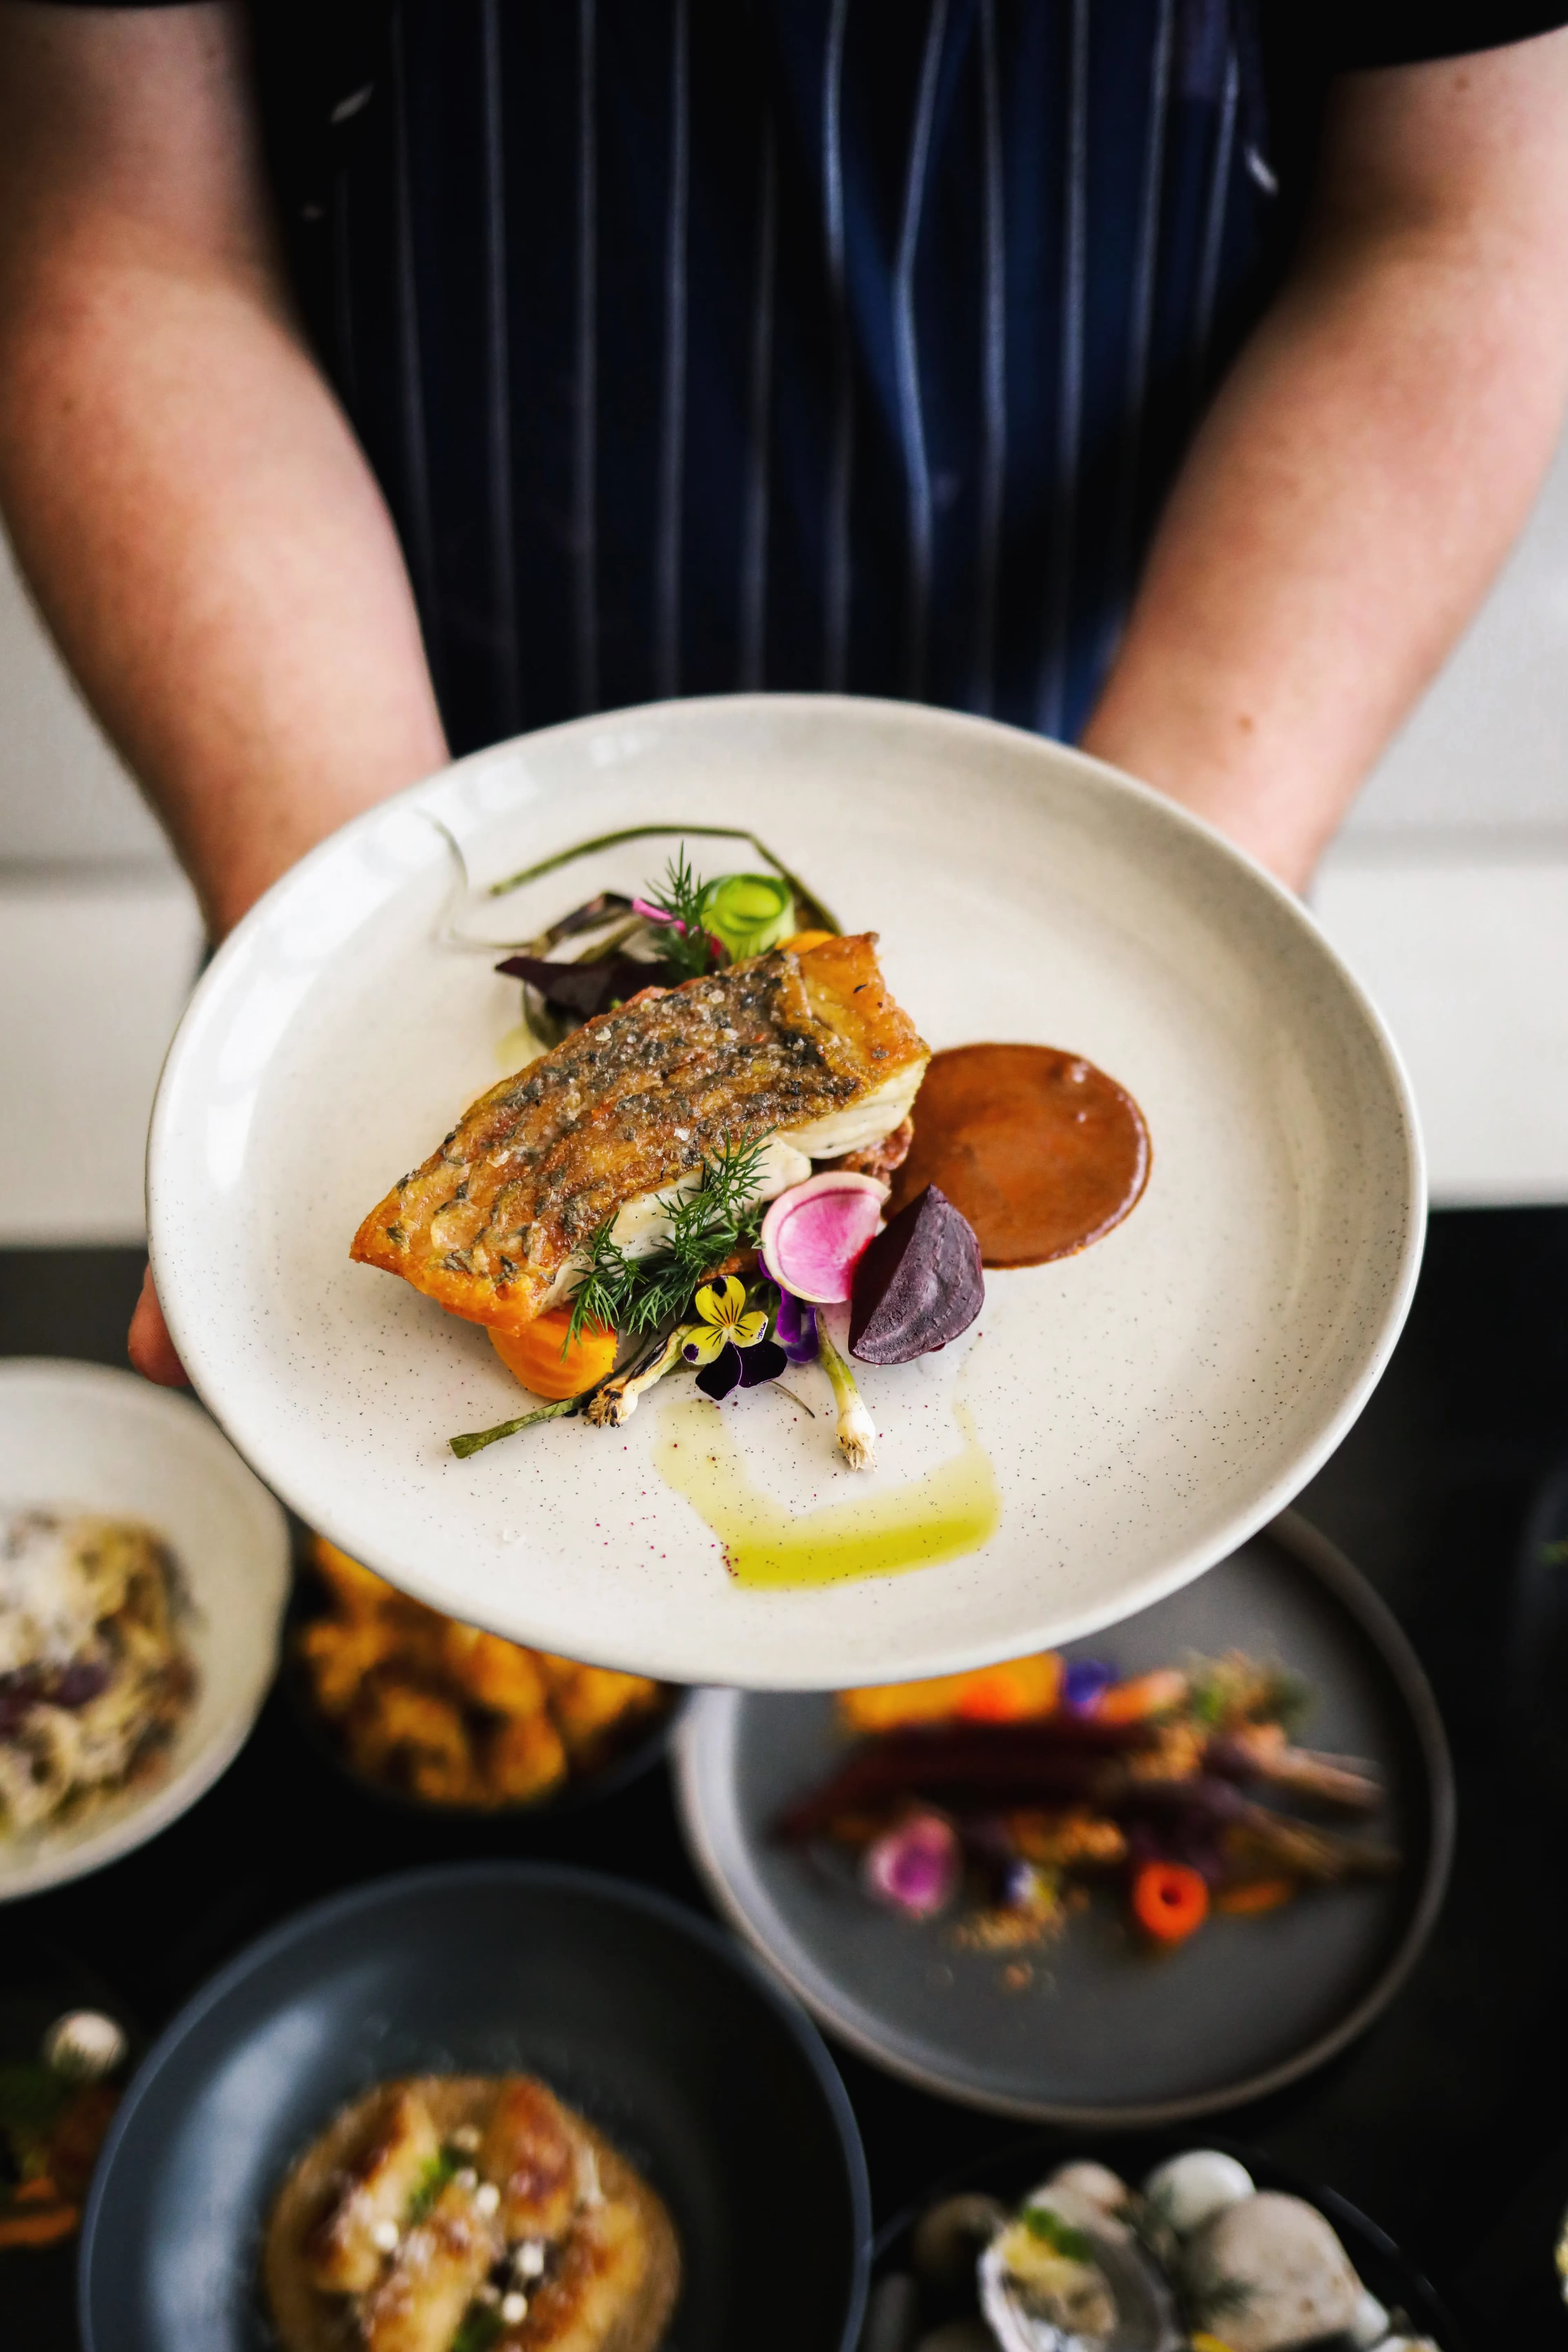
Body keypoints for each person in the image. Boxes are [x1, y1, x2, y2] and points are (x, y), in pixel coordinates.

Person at [0, 2, 1566, 1388]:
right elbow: (123, 234)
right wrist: (345, 928)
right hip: (394, 756)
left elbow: (1462, 223)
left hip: (1123, 712)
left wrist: (1173, 889)